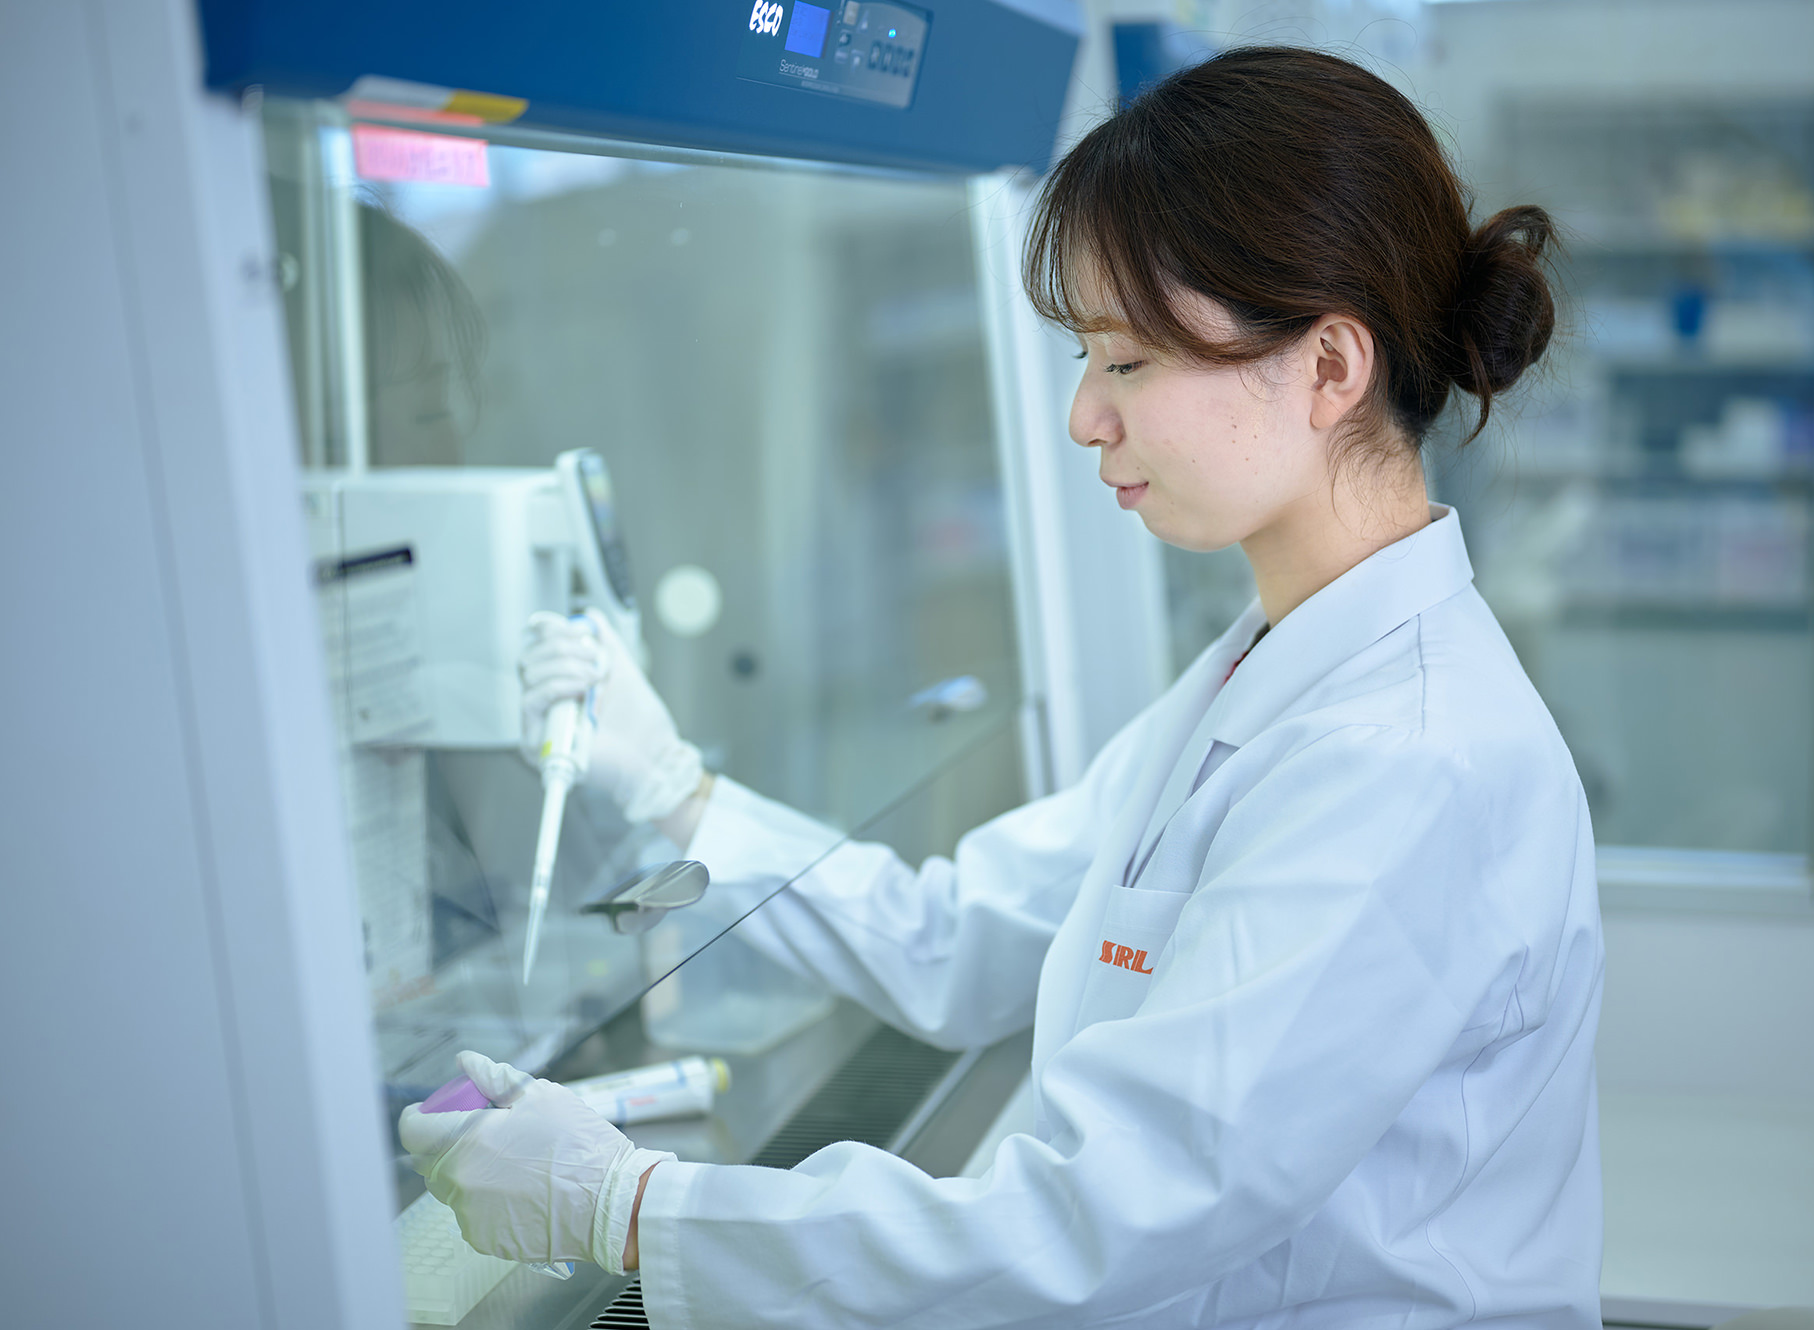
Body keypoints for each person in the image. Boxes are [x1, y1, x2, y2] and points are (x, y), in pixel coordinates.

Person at [400, 46, 1602, 1329]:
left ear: (1326, 368)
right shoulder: (1266, 668)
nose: (1084, 416)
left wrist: (626, 1205)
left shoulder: (1404, 756)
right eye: (1086, 357)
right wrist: (678, 794)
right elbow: (958, 937)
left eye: (1127, 361)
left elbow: (1106, 1210)